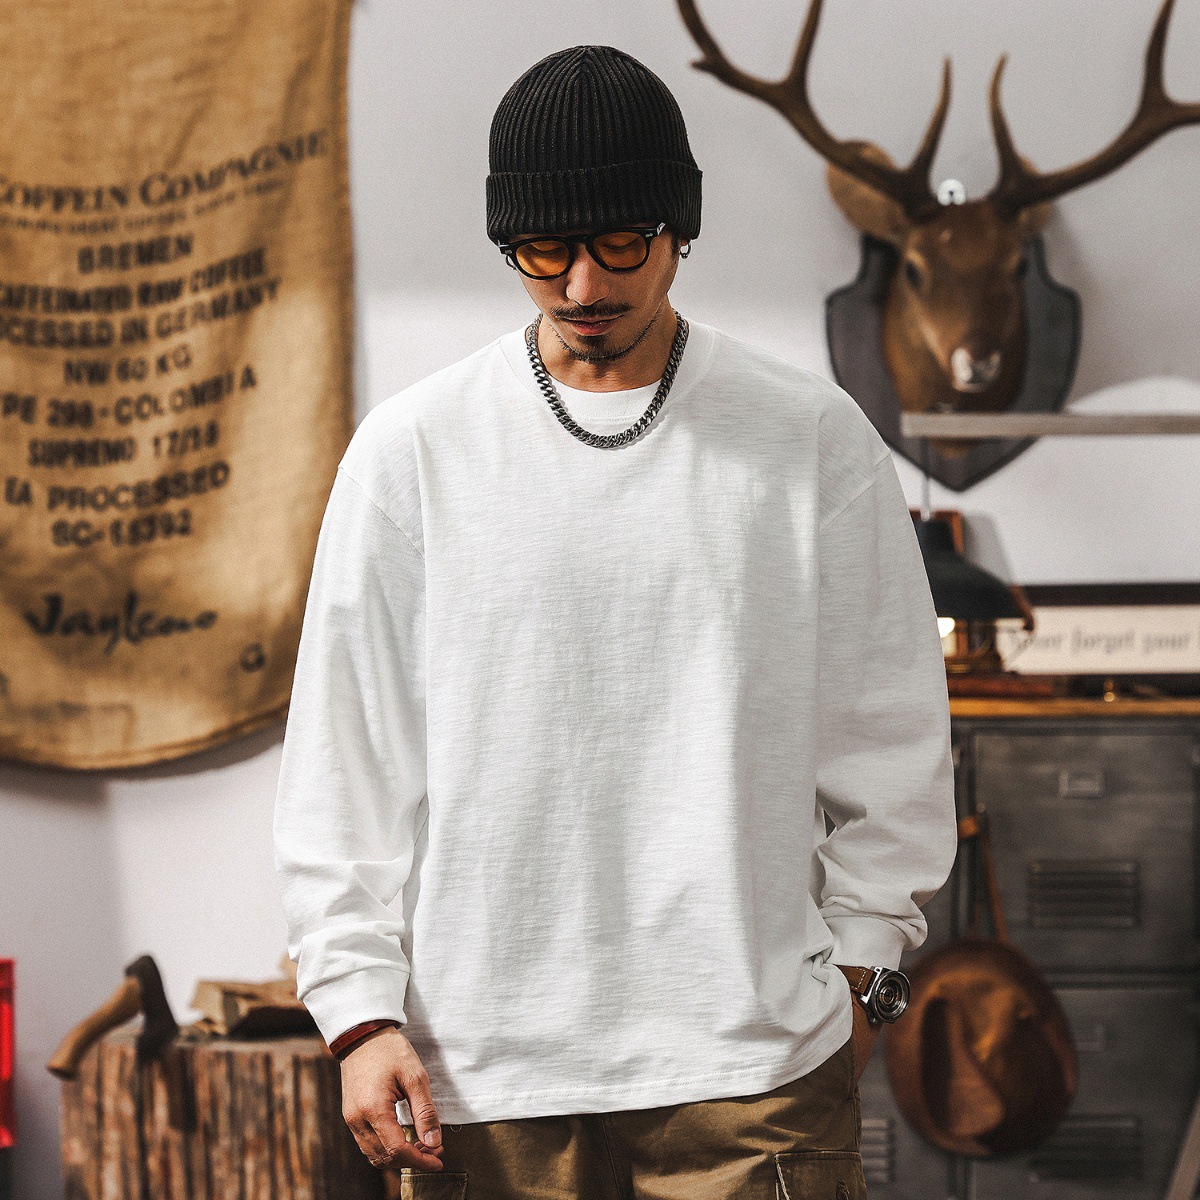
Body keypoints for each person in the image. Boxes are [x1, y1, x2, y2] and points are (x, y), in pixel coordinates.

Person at [273, 43, 958, 1199]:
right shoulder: (412, 452)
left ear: (678, 228)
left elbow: (891, 742)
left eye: (620, 243)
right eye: (545, 250)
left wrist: (860, 977)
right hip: (479, 1075)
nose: (584, 285)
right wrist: (356, 1011)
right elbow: (345, 762)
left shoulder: (809, 438)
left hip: (753, 1071)